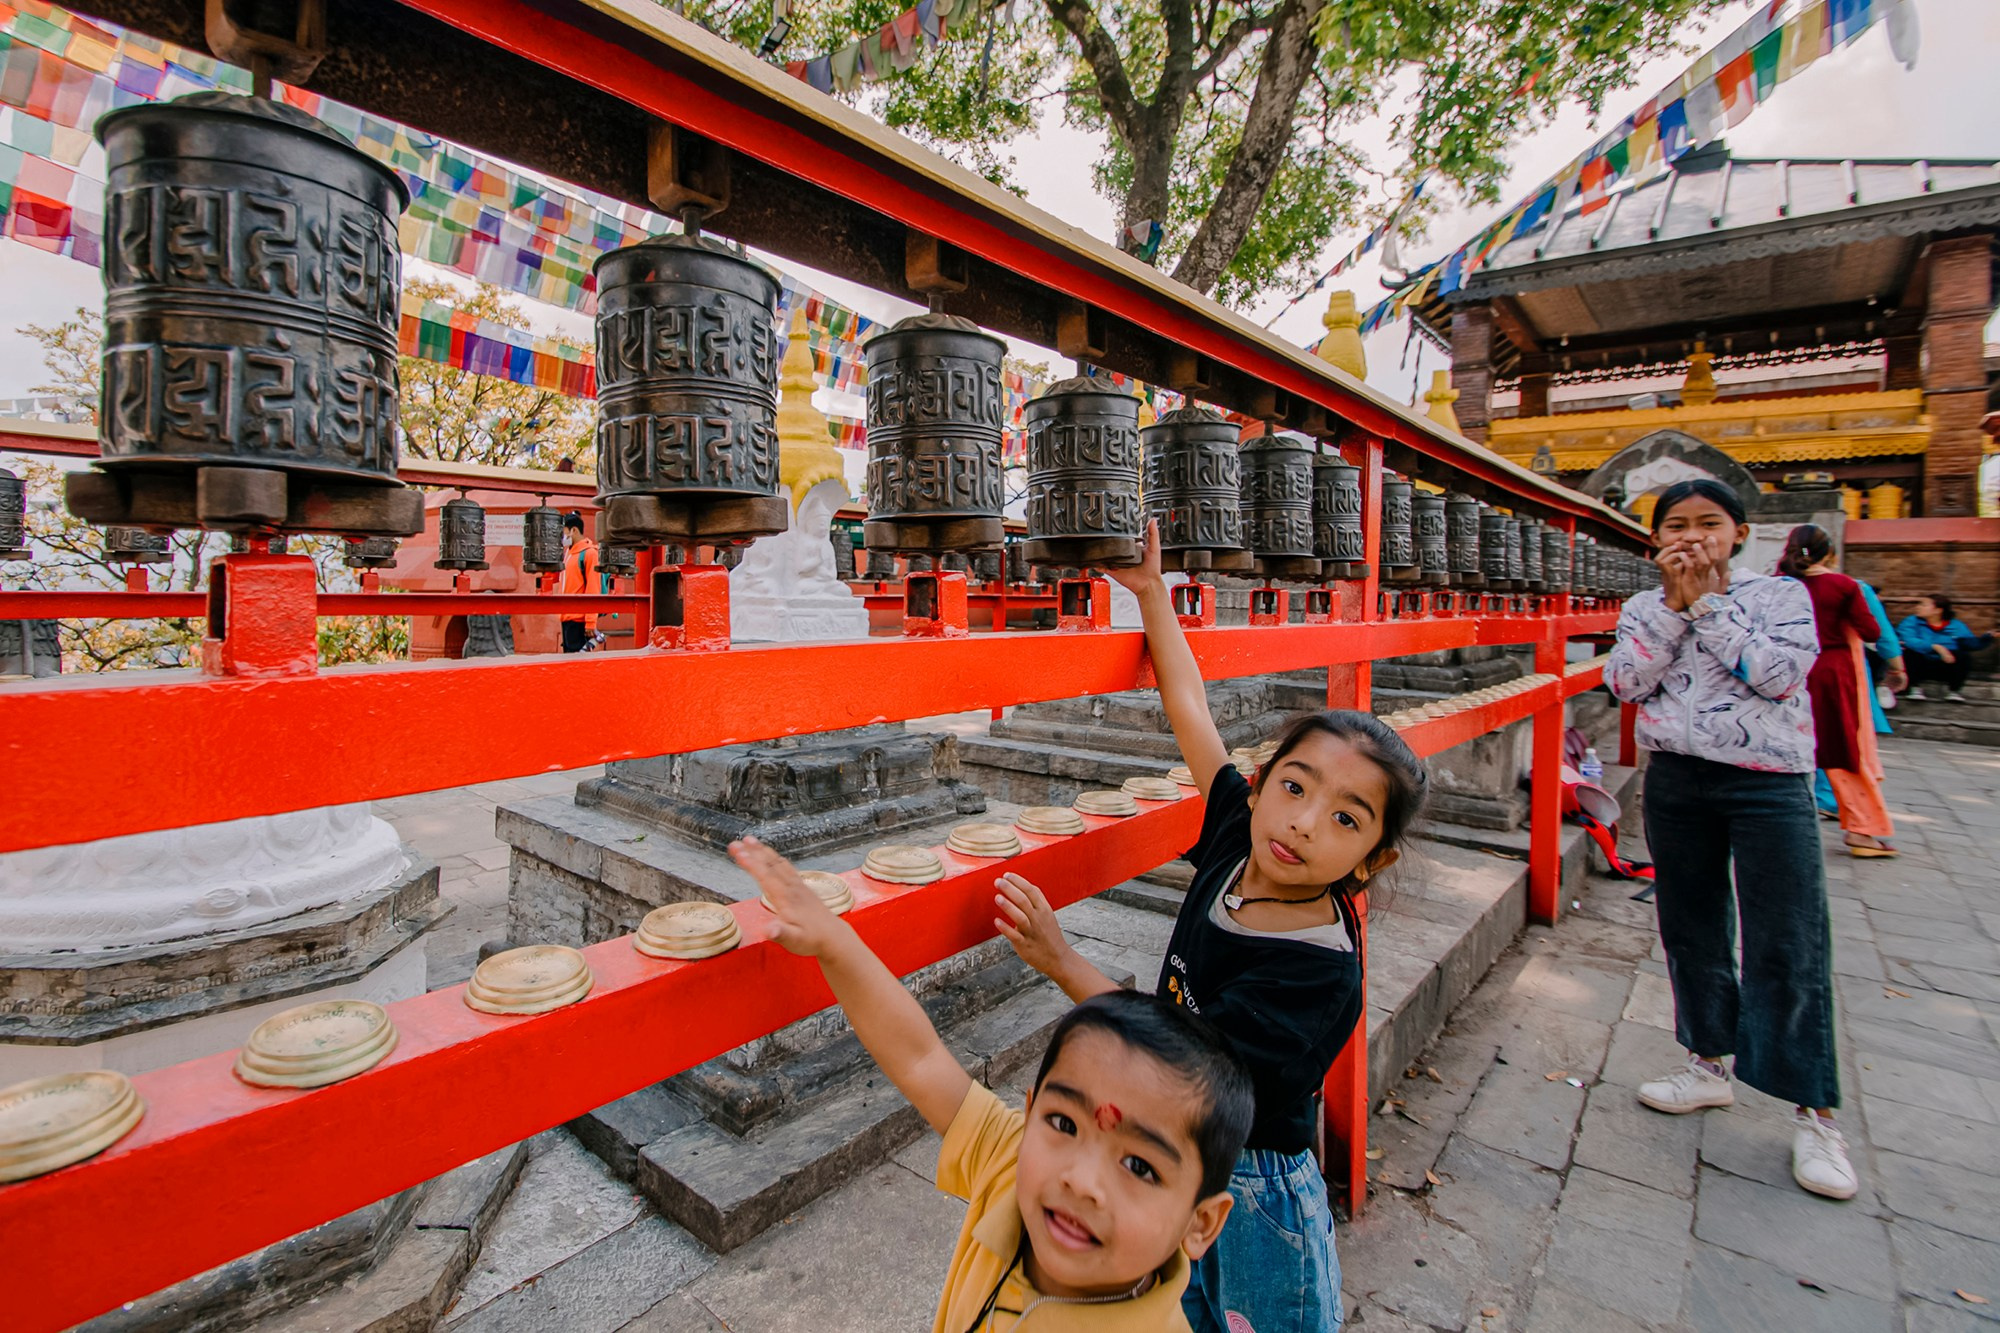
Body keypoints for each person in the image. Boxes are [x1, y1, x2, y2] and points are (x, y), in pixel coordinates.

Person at [991, 519, 1427, 1333]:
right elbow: (1189, 705)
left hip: (1255, 1192)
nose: (1303, 823)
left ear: (1374, 858)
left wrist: (1060, 959)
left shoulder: (1320, 972)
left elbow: (1179, 1064)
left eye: (1345, 817)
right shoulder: (1238, 831)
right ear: (1260, 785)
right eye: (1295, 787)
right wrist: (1152, 594)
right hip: (1168, 1157)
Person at [728, 836, 1253, 1333]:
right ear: (1030, 1113)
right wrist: (835, 941)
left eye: (1139, 1166)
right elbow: (919, 1057)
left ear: (1201, 1224)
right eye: (1063, 1123)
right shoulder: (1010, 1162)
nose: (1080, 1181)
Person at [1606, 478, 1856, 1201]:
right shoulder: (1643, 608)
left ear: (1739, 532)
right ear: (1655, 539)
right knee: (1691, 928)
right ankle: (1708, 1061)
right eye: (1676, 525)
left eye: (1708, 523)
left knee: (1788, 938)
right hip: (1678, 778)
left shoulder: (1780, 597)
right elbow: (1626, 684)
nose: (1692, 537)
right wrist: (1673, 611)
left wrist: (1707, 607)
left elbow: (1779, 676)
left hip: (1768, 782)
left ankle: (1815, 1112)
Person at [1779, 525, 1895, 857]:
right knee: (1843, 747)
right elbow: (1870, 630)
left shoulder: (1780, 584)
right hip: (1832, 672)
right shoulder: (1843, 586)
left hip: (1788, 669)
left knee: (1787, 746)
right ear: (1830, 552)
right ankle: (1861, 829)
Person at [1814, 578, 1904, 820]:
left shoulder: (1786, 581)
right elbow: (1880, 633)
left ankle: (1822, 794)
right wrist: (1897, 668)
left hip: (1798, 664)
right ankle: (1834, 798)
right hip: (1842, 667)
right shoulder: (1853, 587)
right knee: (1844, 733)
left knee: (1812, 729)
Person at [1897, 594, 1987, 702]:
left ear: (1938, 610)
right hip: (1920, 664)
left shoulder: (1956, 625)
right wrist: (1935, 647)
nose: (1918, 607)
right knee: (1909, 652)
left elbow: (1969, 644)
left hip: (1944, 664)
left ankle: (1954, 691)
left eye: (1923, 605)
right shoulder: (1911, 621)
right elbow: (1908, 640)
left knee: (1963, 656)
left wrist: (1986, 638)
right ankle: (1914, 688)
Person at [559, 512, 600, 653]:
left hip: (579, 621)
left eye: (563, 532)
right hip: (567, 618)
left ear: (574, 530)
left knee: (577, 661)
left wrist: (590, 622)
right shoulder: (568, 553)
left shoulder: (589, 554)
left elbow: (593, 588)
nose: (562, 537)